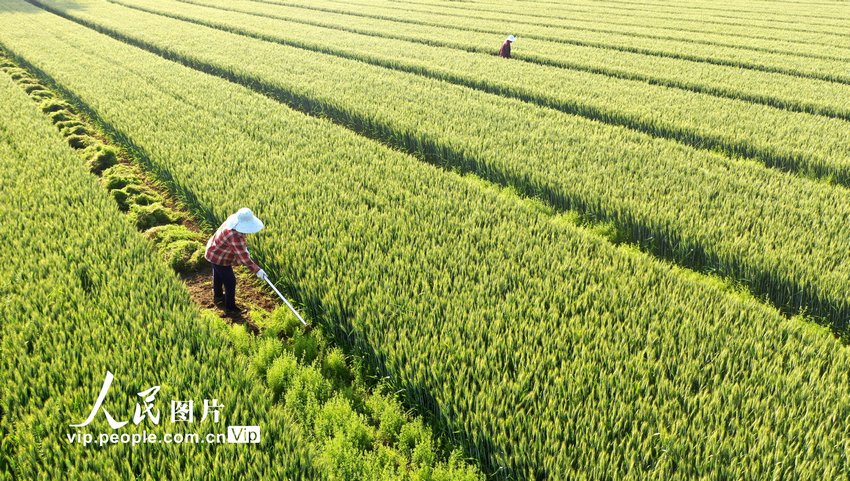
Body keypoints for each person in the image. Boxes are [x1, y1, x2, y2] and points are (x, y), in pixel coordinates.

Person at [205, 207, 268, 312]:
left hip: (213, 250)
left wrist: (244, 249)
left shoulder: (231, 223)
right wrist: (257, 270)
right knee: (230, 282)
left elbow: (240, 250)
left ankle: (218, 297)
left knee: (218, 276)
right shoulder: (235, 236)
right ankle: (231, 308)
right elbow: (244, 258)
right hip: (220, 258)